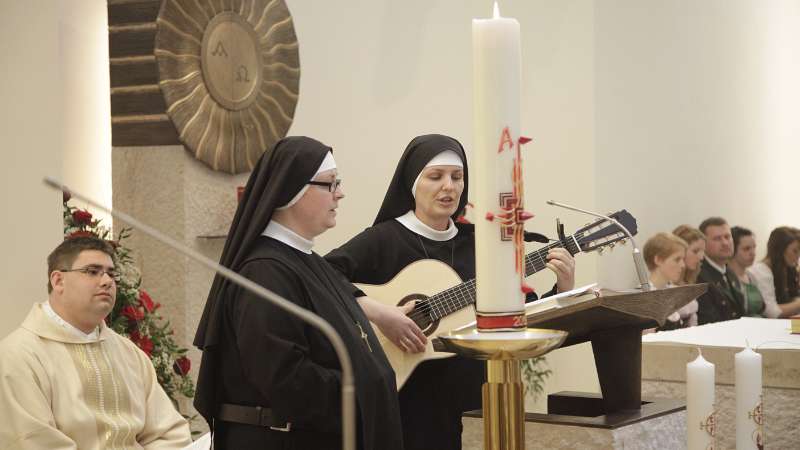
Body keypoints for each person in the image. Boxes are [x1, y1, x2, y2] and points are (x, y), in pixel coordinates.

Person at [324, 134, 575, 450]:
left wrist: (563, 289)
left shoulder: (482, 244)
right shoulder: (382, 240)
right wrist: (379, 313)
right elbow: (320, 277)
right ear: (413, 183)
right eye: (436, 176)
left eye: (457, 177)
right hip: (408, 403)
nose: (449, 186)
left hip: (472, 400)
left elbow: (521, 315)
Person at [192, 137, 402, 450]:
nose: (340, 193)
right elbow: (283, 376)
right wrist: (362, 388)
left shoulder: (308, 261)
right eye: (330, 183)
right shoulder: (265, 272)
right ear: (292, 191)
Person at [0, 236, 191, 449]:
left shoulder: (128, 353)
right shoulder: (20, 356)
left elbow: (169, 433)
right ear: (58, 281)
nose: (107, 281)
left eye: (111, 273)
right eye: (92, 271)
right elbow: (34, 442)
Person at [695, 217, 745, 324]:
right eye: (717, 239)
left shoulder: (729, 272)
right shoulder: (699, 278)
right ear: (703, 243)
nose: (725, 243)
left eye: (727, 237)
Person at [747, 226, 800, 318]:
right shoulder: (760, 272)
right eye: (795, 251)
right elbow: (772, 312)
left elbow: (791, 298)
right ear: (779, 250)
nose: (798, 256)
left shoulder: (787, 269)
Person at [642, 232, 692, 330]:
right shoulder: (643, 299)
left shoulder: (673, 293)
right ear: (658, 260)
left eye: (683, 259)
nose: (683, 265)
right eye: (677, 259)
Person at [728, 226, 767, 317]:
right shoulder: (726, 279)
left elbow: (762, 309)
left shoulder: (751, 276)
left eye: (754, 247)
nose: (753, 253)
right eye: (746, 249)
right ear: (732, 249)